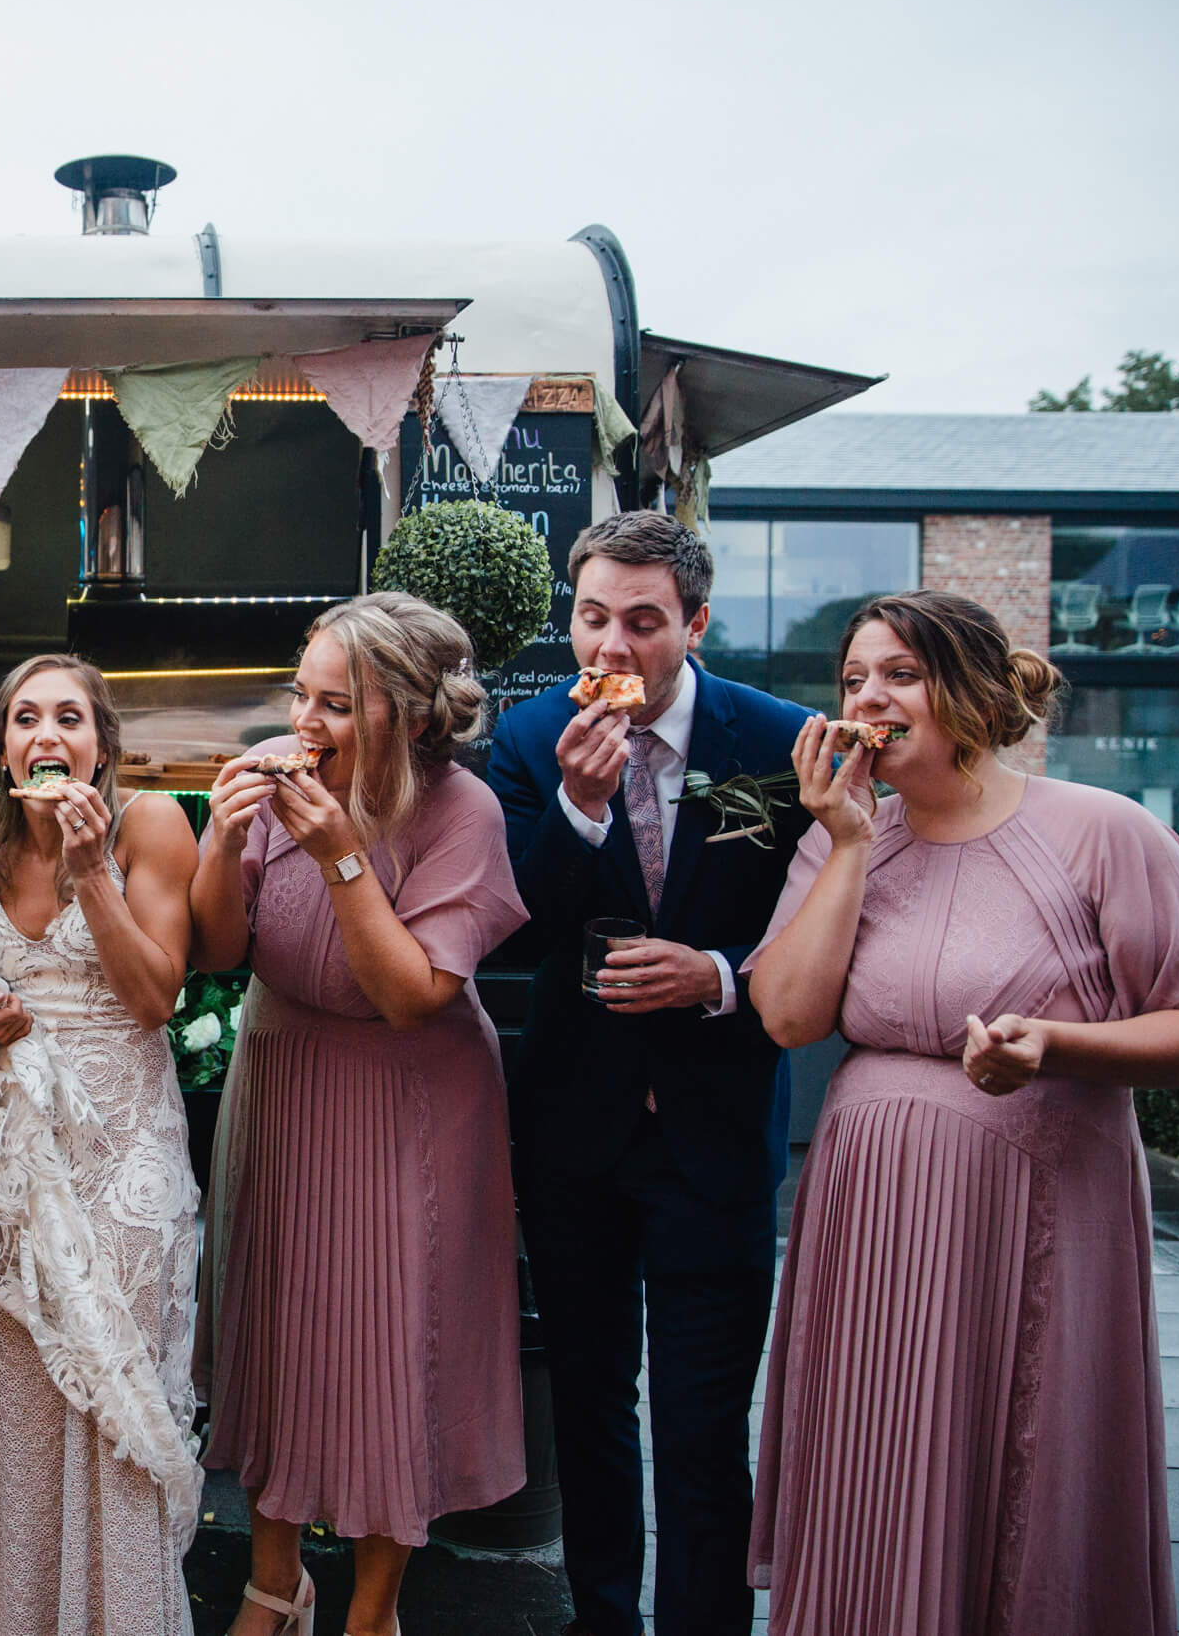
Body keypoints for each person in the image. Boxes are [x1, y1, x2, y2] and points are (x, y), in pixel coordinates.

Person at [745, 591, 1179, 1635]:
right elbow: (789, 1016)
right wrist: (840, 843)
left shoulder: (1102, 833)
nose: (866, 697)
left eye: (898, 674)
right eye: (851, 678)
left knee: (1018, 1462)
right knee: (873, 1459)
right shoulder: (845, 834)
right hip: (868, 1215)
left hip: (1033, 1212)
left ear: (967, 689)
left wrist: (1058, 1045)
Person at [486, 510, 811, 1636]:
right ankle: (604, 1617)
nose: (610, 647)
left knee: (705, 1415)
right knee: (587, 1400)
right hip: (575, 1129)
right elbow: (515, 933)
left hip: (715, 1126)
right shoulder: (529, 739)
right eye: (591, 617)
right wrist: (575, 808)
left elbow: (825, 919)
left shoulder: (776, 740)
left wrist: (718, 974)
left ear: (695, 622)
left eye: (641, 621)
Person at [192, 592, 528, 1636]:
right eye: (303, 696)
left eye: (337, 704)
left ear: (412, 717)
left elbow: (409, 991)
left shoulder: (460, 811)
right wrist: (219, 835)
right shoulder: (286, 777)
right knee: (276, 1326)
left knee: (395, 1339)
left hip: (408, 1100)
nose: (305, 723)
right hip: (283, 1075)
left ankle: (372, 1608)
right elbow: (215, 950)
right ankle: (273, 1576)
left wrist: (340, 853)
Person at [0, 653, 204, 1636]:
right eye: (27, 717)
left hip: (124, 1156)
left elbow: (153, 998)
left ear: (102, 743)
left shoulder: (148, 824)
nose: (48, 734)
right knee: (18, 1413)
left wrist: (91, 867)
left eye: (70, 716)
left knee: (114, 1399)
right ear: (1, 746)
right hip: (19, 1164)